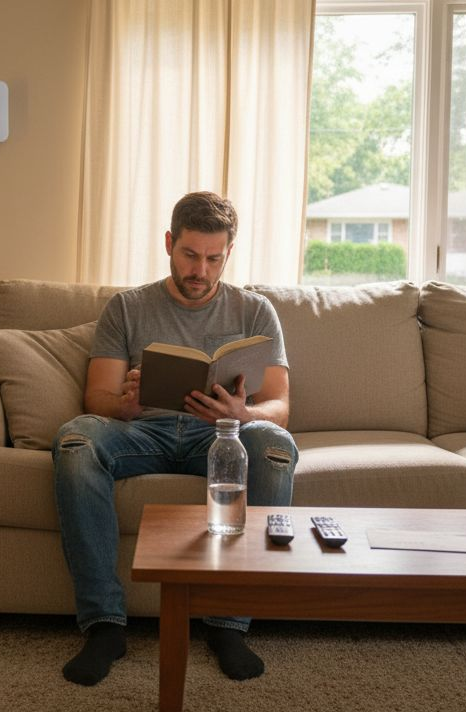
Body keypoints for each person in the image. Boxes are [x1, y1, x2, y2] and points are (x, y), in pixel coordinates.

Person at [52, 191, 298, 686]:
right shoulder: (128, 307)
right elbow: (96, 397)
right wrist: (124, 406)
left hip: (223, 436)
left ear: (229, 253)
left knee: (273, 447)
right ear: (169, 243)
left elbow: (280, 408)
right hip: (145, 431)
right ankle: (104, 625)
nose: (200, 271)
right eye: (189, 255)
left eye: (213, 259)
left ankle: (229, 623)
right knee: (75, 441)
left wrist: (241, 412)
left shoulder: (255, 312)